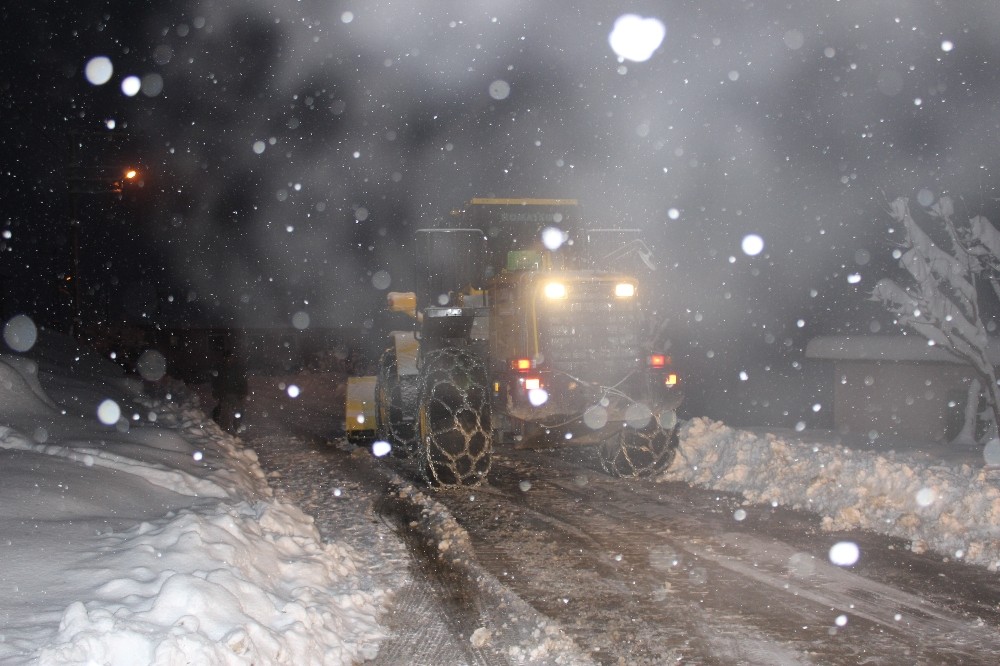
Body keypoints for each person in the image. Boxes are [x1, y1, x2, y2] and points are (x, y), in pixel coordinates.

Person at [212, 349, 248, 434]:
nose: (229, 360)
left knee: (239, 411)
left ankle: (237, 427)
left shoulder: (238, 368)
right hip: (224, 395)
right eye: (227, 358)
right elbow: (216, 382)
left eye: (231, 358)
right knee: (225, 413)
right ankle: (224, 431)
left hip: (236, 394)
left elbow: (243, 381)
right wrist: (216, 392)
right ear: (224, 358)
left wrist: (243, 393)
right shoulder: (220, 368)